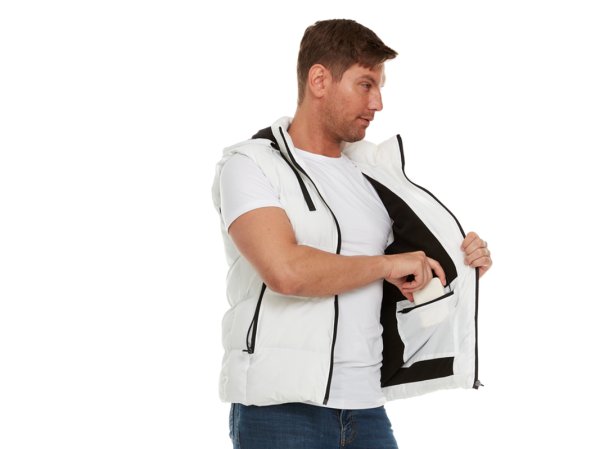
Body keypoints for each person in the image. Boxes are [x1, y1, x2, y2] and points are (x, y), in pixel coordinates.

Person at [212, 19, 492, 449]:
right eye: (365, 85)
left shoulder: (374, 176)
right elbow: (286, 271)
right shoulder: (251, 166)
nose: (377, 103)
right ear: (319, 80)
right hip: (280, 411)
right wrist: (386, 265)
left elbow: (397, 278)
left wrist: (460, 264)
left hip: (366, 409)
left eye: (380, 87)